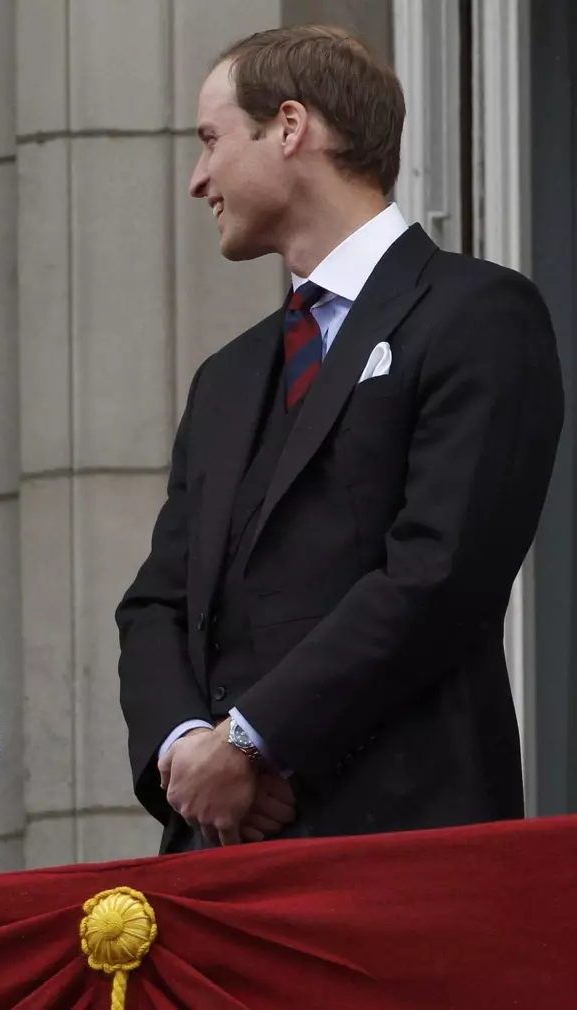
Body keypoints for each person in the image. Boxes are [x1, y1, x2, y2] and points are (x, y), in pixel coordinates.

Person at [116, 26, 563, 853]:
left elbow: (439, 572)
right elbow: (157, 603)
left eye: (211, 140)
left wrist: (252, 739)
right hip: (223, 860)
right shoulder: (226, 376)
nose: (197, 179)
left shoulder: (478, 315)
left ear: (289, 127)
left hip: (405, 848)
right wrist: (192, 754)